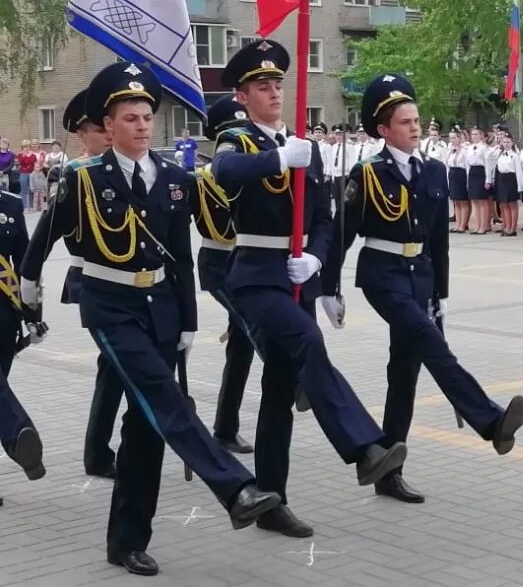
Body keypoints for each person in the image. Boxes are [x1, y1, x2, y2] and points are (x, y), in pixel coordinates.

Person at [20, 63, 282, 576]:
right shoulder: (83, 179)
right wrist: (29, 294)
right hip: (109, 306)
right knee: (165, 395)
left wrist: (187, 319)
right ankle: (235, 486)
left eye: (146, 117)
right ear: (109, 125)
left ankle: (126, 540)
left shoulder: (174, 179)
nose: (142, 126)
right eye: (130, 118)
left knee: (145, 426)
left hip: (160, 308)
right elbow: (42, 240)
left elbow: (181, 256)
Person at [211, 40, 407, 536]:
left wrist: (318, 258)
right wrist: (279, 159)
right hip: (255, 276)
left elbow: (324, 214)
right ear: (243, 94)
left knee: (278, 392)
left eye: (278, 84)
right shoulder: (240, 140)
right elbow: (224, 172)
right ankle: (364, 447)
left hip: (296, 273)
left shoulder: (306, 145)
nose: (274, 92)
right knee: (307, 341)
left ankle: (271, 501)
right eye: (263, 86)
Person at [324, 73, 523, 504]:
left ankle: (388, 470)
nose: (415, 127)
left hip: (421, 276)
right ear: (383, 129)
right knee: (432, 345)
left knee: (405, 373)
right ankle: (489, 421)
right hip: (383, 275)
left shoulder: (434, 170)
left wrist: (443, 295)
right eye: (404, 122)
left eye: (417, 119)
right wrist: (329, 288)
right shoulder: (367, 174)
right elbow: (342, 234)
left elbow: (440, 240)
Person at [22, 90, 122, 479]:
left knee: (114, 368)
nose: (109, 135)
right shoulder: (76, 175)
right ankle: (101, 452)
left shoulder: (131, 170)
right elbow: (43, 238)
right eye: (99, 129)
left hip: (137, 287)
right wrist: (29, 288)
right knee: (119, 365)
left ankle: (101, 451)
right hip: (91, 280)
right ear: (82, 134)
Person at [191, 96, 255, 455]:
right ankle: (297, 382)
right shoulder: (202, 178)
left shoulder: (254, 173)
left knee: (242, 347)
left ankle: (225, 428)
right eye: (234, 133)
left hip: (246, 262)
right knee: (253, 325)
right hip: (217, 263)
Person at [0, 178, 46, 485]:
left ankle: (17, 436)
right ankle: (18, 434)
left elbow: (26, 263)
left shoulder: (11, 204)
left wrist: (33, 315)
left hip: (4, 312)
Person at [493, 135, 523, 236]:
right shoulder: (500, 154)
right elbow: (489, 156)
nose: (506, 144)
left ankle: (512, 228)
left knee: (512, 205)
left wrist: (520, 186)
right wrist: (496, 147)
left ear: (512, 143)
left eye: (508, 142)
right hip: (502, 180)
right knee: (504, 205)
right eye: (504, 142)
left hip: (511, 180)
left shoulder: (515, 155)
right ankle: (506, 226)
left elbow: (519, 171)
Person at [446, 126, 471, 233]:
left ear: (459, 138)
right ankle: (457, 224)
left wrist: (468, 180)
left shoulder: (465, 150)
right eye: (451, 138)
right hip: (452, 173)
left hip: (461, 174)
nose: (452, 140)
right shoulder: (450, 149)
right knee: (456, 201)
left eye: (454, 138)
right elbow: (447, 163)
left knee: (463, 201)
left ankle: (463, 225)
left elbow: (467, 165)